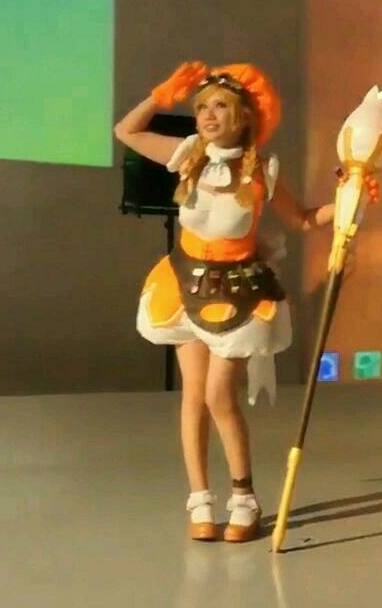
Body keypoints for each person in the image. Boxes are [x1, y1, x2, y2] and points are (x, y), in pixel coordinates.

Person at [114, 61, 335, 543]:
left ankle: (244, 498)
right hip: (184, 283)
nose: (209, 115)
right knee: (194, 396)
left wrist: (349, 198)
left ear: (244, 116)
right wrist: (161, 96)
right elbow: (126, 131)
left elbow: (302, 219)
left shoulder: (261, 171)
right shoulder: (189, 155)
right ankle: (200, 499)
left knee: (219, 394)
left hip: (236, 291)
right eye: (202, 107)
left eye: (220, 106)